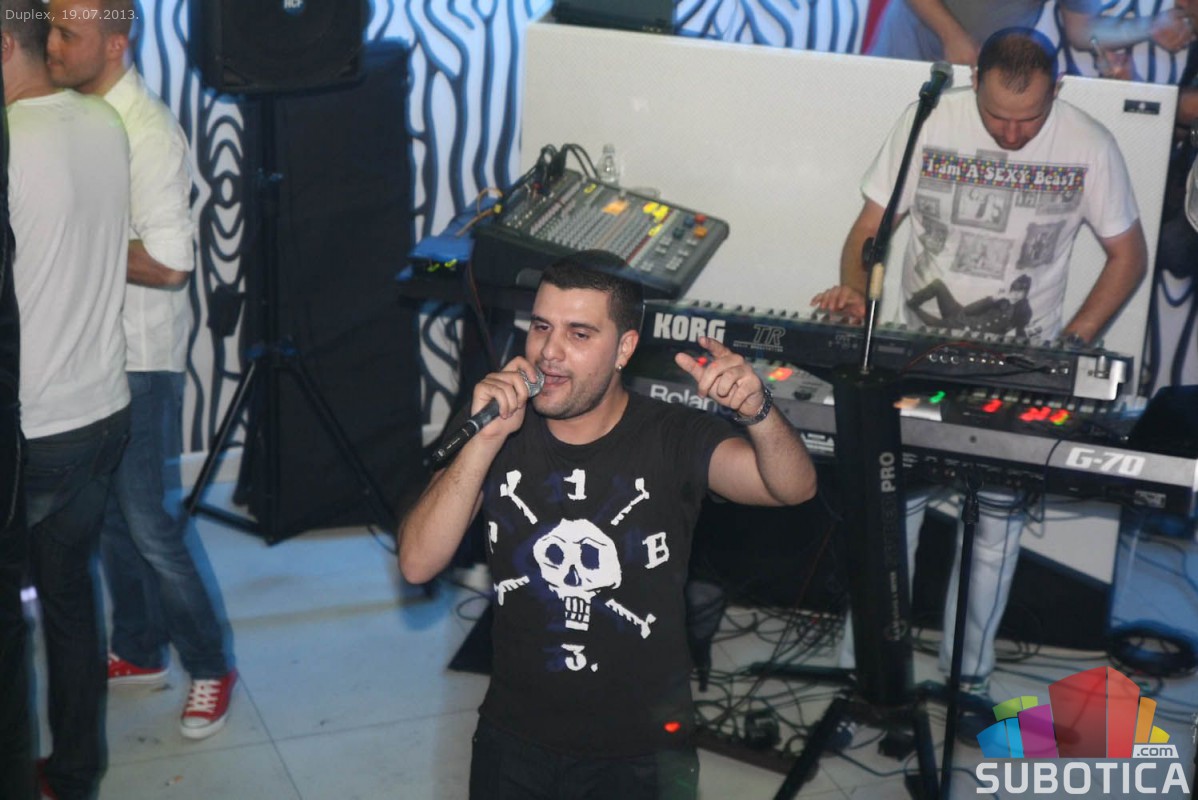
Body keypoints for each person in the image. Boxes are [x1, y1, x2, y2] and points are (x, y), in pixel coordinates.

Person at [813, 28, 1147, 740]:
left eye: (1029, 119)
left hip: (1019, 369)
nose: (1012, 133)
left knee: (994, 528)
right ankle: (866, 675)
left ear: (1057, 90)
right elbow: (870, 228)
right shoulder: (929, 120)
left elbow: (1128, 255)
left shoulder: (1088, 143)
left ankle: (969, 683)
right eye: (997, 116)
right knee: (889, 518)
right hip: (916, 357)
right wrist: (854, 295)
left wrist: (1070, 347)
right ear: (975, 84)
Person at [399, 250, 816, 800]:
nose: (549, 351)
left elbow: (792, 487)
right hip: (513, 735)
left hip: (643, 751)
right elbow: (417, 563)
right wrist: (485, 442)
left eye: (579, 334)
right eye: (541, 327)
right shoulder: (497, 426)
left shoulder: (673, 435)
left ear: (624, 348)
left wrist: (757, 412)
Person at [46, 0, 236, 741]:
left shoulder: (148, 133)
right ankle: (139, 648)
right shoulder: (76, 116)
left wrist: (78, 235)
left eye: (69, 32)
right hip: (93, 352)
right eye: (51, 28)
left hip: (141, 361)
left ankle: (211, 665)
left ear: (115, 43)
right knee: (112, 520)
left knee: (150, 525)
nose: (52, 44)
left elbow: (170, 264)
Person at [2, 0, 133, 795]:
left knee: (9, 628)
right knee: (72, 600)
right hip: (104, 409)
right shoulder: (102, 121)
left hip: (35, 426)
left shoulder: (13, 142)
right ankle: (77, 774)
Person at [867, 0, 1195, 67]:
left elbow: (1080, 30)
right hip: (904, 49)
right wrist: (951, 35)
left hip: (982, 70)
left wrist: (1149, 27)